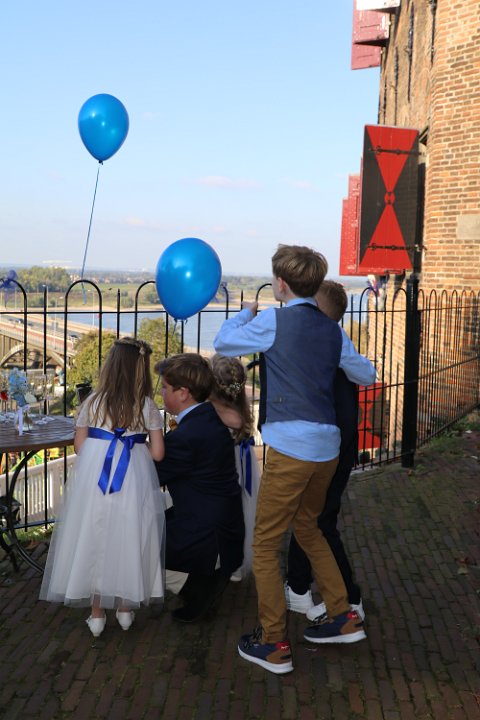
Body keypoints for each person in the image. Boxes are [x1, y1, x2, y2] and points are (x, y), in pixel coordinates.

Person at [214, 244, 377, 674]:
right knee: (309, 527)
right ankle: (342, 615)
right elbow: (366, 373)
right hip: (328, 447)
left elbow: (223, 342)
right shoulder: (332, 330)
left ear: (282, 284)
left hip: (292, 447)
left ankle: (272, 642)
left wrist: (245, 314)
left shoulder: (274, 320)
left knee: (265, 543)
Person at [39, 338, 166, 638]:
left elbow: (80, 446)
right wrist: (134, 445)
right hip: (133, 477)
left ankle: (97, 614)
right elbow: (158, 453)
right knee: (131, 533)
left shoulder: (92, 402)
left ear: (110, 367)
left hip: (97, 479)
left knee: (96, 535)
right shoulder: (147, 406)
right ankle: (125, 608)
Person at [285, 280, 365, 622]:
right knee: (308, 517)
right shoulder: (334, 345)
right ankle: (298, 588)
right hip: (333, 447)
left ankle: (350, 600)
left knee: (319, 522)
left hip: (330, 449)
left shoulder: (330, 348)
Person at [155, 353, 245, 623]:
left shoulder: (187, 436)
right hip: (221, 523)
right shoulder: (207, 418)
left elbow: (149, 477)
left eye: (165, 388)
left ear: (183, 393)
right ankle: (202, 577)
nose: (160, 393)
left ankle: (198, 586)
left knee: (132, 540)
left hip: (207, 534)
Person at [209, 354, 261, 579]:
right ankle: (236, 562)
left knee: (225, 513)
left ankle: (225, 560)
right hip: (242, 461)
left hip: (226, 466)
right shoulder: (240, 409)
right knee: (242, 510)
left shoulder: (215, 412)